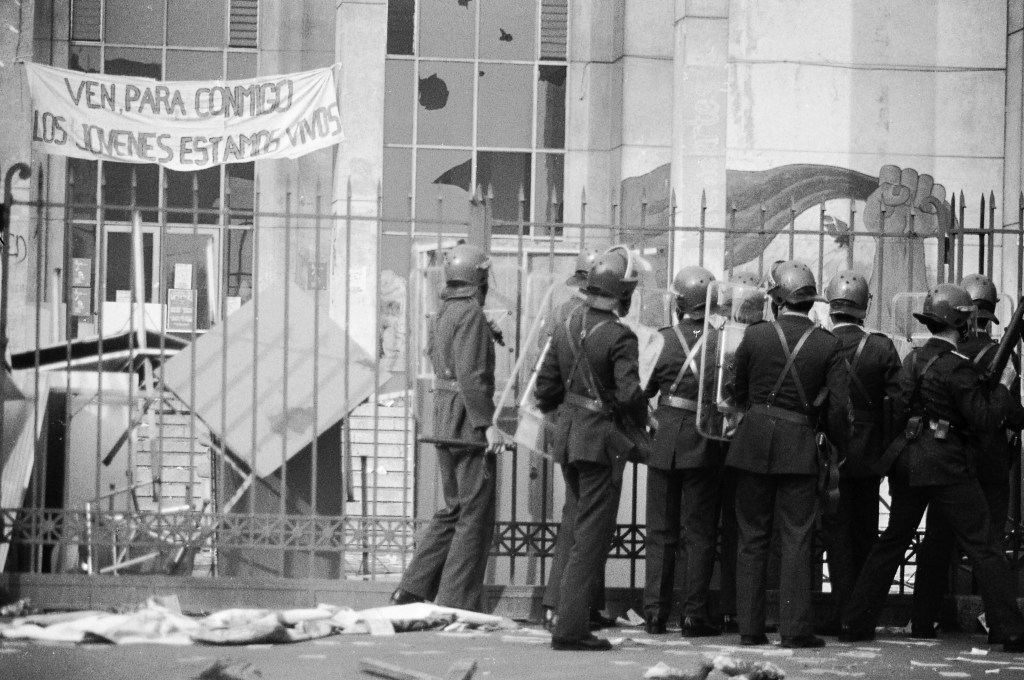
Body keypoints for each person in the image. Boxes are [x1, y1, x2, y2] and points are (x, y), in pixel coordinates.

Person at [839, 284, 1024, 652]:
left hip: (908, 459)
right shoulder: (957, 367)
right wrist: (1003, 387)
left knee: (891, 543)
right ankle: (1012, 631)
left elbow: (897, 408)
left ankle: (854, 622)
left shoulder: (913, 359)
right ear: (962, 323)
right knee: (984, 546)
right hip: (946, 465)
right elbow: (985, 420)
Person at [726, 260, 849, 649]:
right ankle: (794, 630)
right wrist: (837, 445)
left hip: (752, 443)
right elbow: (838, 409)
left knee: (752, 537)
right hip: (799, 446)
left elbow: (736, 389)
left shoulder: (756, 335)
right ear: (811, 300)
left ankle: (750, 628)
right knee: (797, 538)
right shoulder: (828, 344)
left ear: (776, 298)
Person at [535, 245, 647, 651]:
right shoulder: (620, 335)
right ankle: (570, 629)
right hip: (599, 442)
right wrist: (642, 414)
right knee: (590, 537)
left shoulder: (566, 323)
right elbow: (630, 393)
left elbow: (545, 388)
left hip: (569, 437)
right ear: (622, 293)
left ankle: (564, 618)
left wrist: (567, 415)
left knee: (577, 528)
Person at [389, 243, 503, 612]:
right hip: (467, 419)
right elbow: (471, 376)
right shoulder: (470, 314)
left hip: (444, 415)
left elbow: (446, 358)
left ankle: (411, 589)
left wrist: (485, 332)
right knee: (473, 514)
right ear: (479, 279)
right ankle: (456, 601)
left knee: (454, 509)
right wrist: (488, 424)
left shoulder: (446, 311)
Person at [910, 274, 1024, 640]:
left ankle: (923, 618)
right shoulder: (999, 356)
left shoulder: (946, 354)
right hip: (989, 462)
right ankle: (999, 624)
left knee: (937, 540)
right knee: (989, 545)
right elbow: (1011, 414)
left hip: (952, 458)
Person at [642, 265, 727, 637]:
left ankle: (655, 614)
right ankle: (693, 615)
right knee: (699, 532)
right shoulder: (722, 341)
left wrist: (654, 421)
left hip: (664, 439)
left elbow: (640, 392)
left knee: (660, 531)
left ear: (679, 304)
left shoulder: (661, 339)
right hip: (704, 439)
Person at [818, 270, 901, 634]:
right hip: (869, 453)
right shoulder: (881, 347)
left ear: (830, 304)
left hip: (828, 450)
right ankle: (861, 615)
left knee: (835, 534)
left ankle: (840, 611)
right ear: (865, 307)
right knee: (867, 533)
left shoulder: (819, 343)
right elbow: (899, 402)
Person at [541, 246, 617, 632]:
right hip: (593, 425)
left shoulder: (563, 310)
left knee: (581, 516)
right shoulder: (586, 315)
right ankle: (563, 605)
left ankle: (578, 604)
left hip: (567, 422)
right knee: (584, 519)